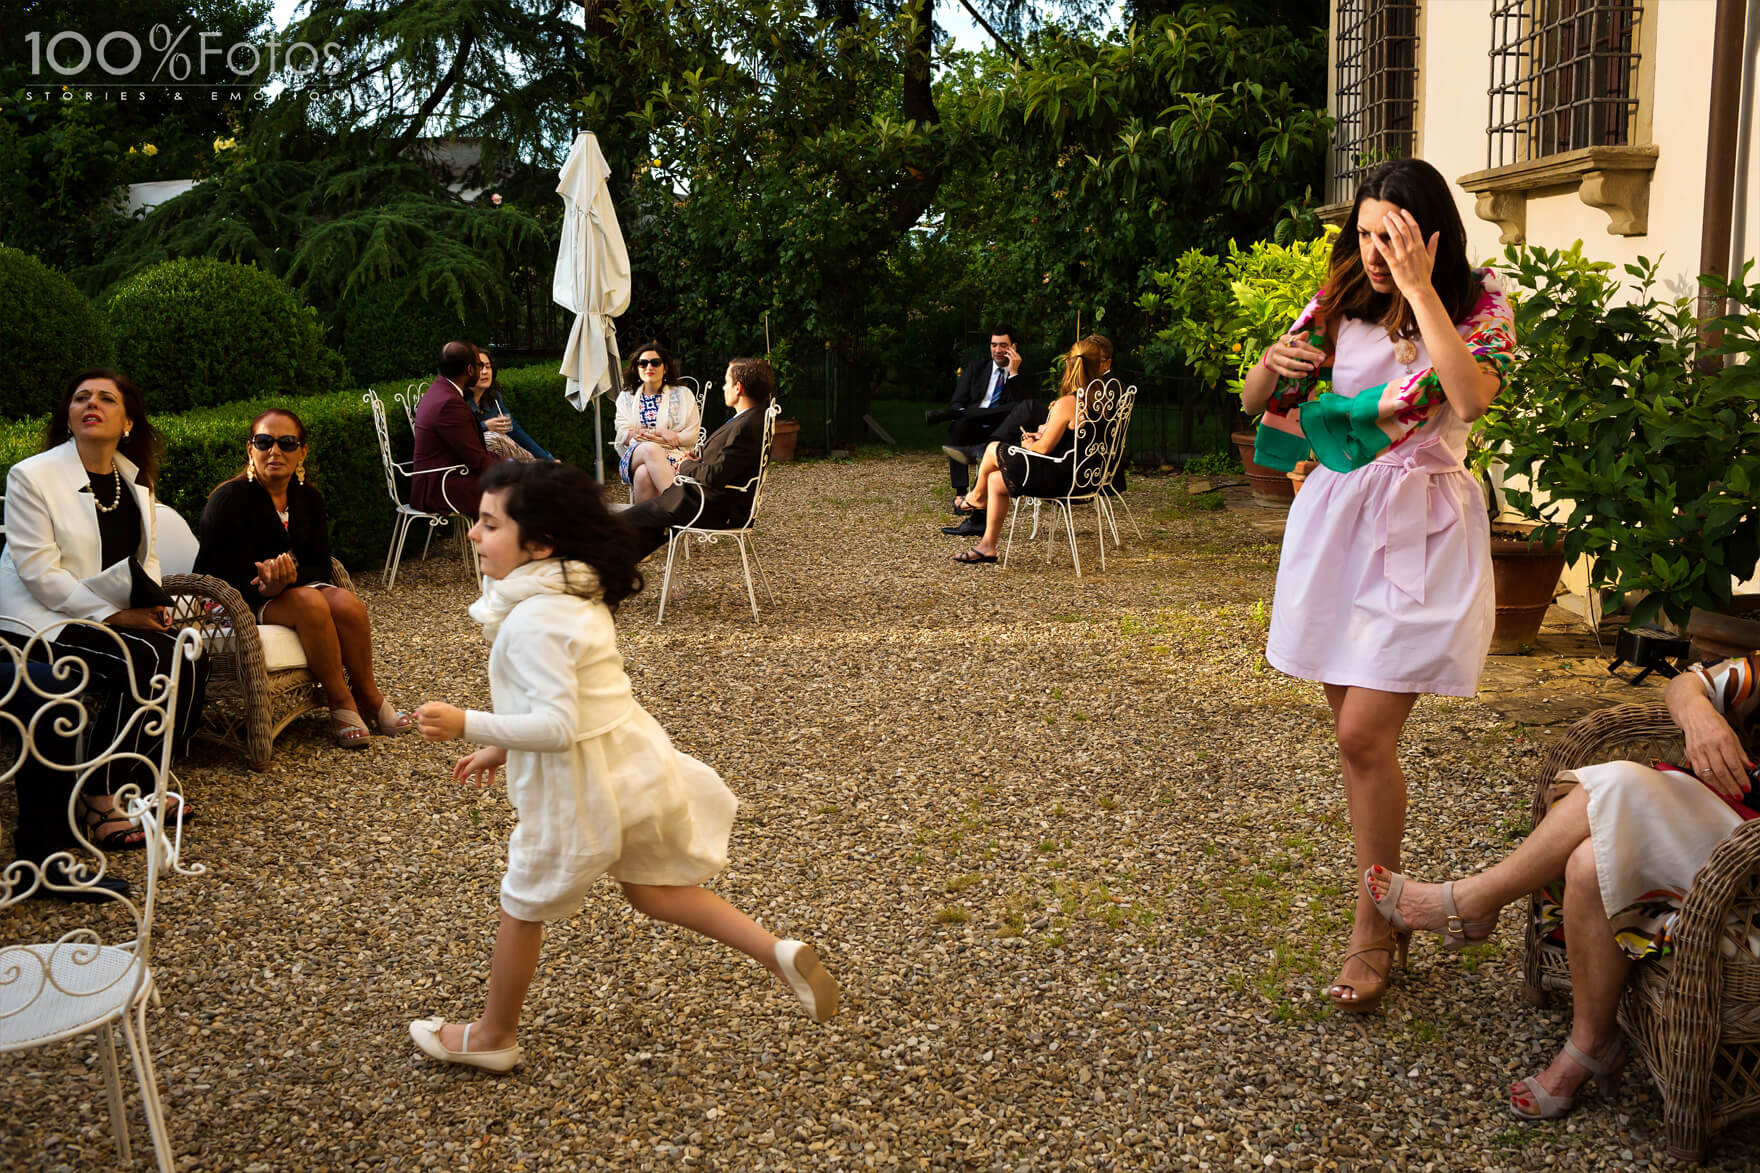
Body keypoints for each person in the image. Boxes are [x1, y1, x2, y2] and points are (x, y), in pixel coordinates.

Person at [406, 461, 839, 1072]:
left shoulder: (533, 619)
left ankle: (492, 1035)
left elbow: (556, 728)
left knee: (522, 903)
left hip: (578, 790)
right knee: (652, 887)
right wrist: (504, 746)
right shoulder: (575, 593)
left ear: (540, 543)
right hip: (631, 762)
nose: (474, 534)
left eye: (488, 523)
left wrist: (467, 722)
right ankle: (777, 953)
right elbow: (576, 702)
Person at [1241, 157, 1516, 1014]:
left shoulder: (1480, 304)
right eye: (1363, 234)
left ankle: (1369, 925)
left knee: (1364, 731)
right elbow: (1258, 404)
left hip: (1421, 531)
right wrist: (1271, 360)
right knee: (1360, 746)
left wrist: (1421, 287)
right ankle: (1388, 906)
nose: (1372, 252)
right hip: (1336, 526)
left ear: (1429, 234)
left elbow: (1467, 399)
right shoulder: (1335, 305)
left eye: (1389, 235)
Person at [1365, 653, 1759, 1120]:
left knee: (1616, 784)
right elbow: (1688, 683)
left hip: (1746, 877)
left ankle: (1472, 902)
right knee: (1589, 862)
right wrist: (1699, 716)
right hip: (1716, 838)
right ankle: (1593, 1043)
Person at [0, 368, 208, 852]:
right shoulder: (32, 476)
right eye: (81, 398)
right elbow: (40, 574)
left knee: (188, 655)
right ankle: (98, 796)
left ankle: (138, 783)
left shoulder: (134, 483)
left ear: (128, 421)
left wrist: (153, 607)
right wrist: (117, 618)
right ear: (69, 417)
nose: (92, 404)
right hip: (37, 619)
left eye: (107, 399)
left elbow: (146, 562)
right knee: (146, 660)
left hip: (99, 615)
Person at [194, 408, 411, 748]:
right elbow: (217, 571)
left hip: (287, 592)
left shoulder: (307, 498)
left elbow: (320, 565)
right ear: (250, 449)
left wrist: (286, 579)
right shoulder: (229, 500)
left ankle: (369, 695)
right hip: (231, 600)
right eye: (264, 442)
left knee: (347, 603)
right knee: (310, 601)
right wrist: (267, 585)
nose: (275, 451)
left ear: (302, 451)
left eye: (286, 443)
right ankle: (341, 703)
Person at [948, 336, 1109, 565]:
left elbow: (1043, 450)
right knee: (995, 479)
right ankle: (987, 546)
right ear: (1099, 366)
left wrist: (1028, 444)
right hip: (1085, 476)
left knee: (995, 449)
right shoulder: (1104, 400)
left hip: (1062, 478)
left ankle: (975, 497)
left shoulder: (1069, 403)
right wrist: (1043, 432)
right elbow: (1075, 439)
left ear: (1070, 365)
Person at [618, 357, 771, 560]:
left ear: (738, 388)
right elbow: (728, 464)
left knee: (627, 520)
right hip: (706, 499)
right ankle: (621, 560)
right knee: (642, 525)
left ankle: (603, 556)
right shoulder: (751, 418)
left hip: (709, 506)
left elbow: (715, 476)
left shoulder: (745, 427)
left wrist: (685, 464)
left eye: (727, 382)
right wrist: (698, 460)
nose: (724, 387)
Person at [928, 327, 1031, 506]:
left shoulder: (1022, 372)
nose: (997, 350)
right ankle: (961, 492)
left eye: (1003, 345)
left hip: (1002, 428)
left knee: (1011, 409)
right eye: (994, 345)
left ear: (1013, 346)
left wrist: (1013, 372)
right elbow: (956, 402)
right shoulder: (976, 368)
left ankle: (977, 494)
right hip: (972, 425)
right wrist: (969, 413)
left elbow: (1022, 408)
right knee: (958, 425)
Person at [412, 341, 501, 519]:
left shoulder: (440, 390)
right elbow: (477, 460)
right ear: (469, 370)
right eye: (479, 365)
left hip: (444, 479)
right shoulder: (449, 404)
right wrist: (517, 468)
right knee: (522, 492)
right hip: (442, 488)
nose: (482, 370)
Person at [613, 342, 702, 504]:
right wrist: (662, 433)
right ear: (636, 368)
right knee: (650, 449)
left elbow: (692, 435)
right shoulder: (626, 397)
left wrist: (645, 435)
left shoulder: (683, 394)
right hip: (634, 456)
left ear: (665, 367)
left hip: (674, 456)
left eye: (655, 362)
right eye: (643, 363)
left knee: (643, 474)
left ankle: (649, 527)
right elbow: (623, 433)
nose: (649, 367)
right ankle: (679, 505)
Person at [469, 348, 553, 463]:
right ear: (468, 372)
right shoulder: (458, 401)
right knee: (490, 438)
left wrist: (546, 458)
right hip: (470, 462)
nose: (485, 372)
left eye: (488, 367)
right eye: (480, 367)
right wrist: (485, 426)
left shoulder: (494, 399)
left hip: (499, 462)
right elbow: (459, 435)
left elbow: (514, 431)